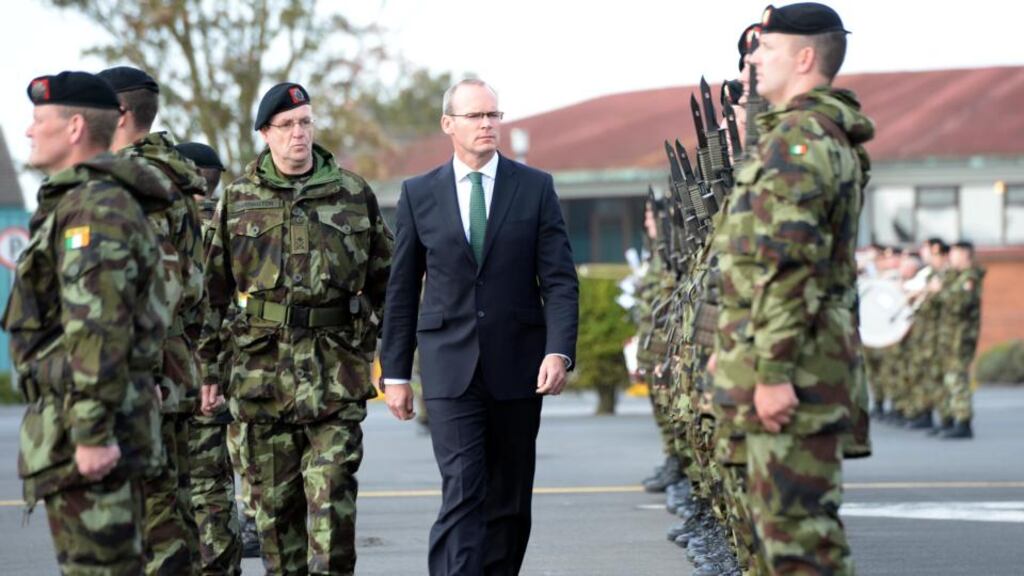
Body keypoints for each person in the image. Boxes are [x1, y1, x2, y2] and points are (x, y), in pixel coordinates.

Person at [380, 78, 579, 576]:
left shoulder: (535, 188)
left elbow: (559, 281)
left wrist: (559, 351)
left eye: (493, 115)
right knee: (464, 490)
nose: (488, 124)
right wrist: (397, 374)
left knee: (509, 503)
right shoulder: (418, 194)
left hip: (519, 367)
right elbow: (401, 291)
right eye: (476, 116)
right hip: (450, 369)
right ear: (449, 124)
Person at [198, 81, 393, 575]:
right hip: (261, 378)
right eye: (286, 126)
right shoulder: (239, 199)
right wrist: (208, 371)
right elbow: (211, 293)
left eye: (305, 122)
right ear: (266, 133)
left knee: (332, 506)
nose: (298, 134)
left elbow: (387, 281)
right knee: (275, 518)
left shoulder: (353, 194)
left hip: (336, 376)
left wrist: (391, 354)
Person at [717, 3, 875, 573]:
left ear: (805, 57)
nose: (753, 59)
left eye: (767, 49)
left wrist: (773, 373)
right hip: (797, 366)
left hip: (796, 376)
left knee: (799, 545)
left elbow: (789, 265)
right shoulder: (806, 134)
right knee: (783, 539)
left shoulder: (800, 140)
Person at [4, 71, 172, 575]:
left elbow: (98, 328)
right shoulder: (83, 203)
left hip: (95, 436)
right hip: (78, 425)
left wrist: (92, 433)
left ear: (75, 127)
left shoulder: (93, 210)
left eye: (40, 120)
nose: (30, 132)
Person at [99, 65, 206, 575]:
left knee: (153, 521)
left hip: (149, 375)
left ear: (119, 114)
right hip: (174, 368)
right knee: (172, 509)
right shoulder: (172, 175)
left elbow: (156, 288)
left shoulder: (135, 181)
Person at [175, 141, 249, 573]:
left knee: (186, 486)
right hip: (232, 372)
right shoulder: (238, 221)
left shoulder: (174, 227)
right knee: (213, 485)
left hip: (182, 375)